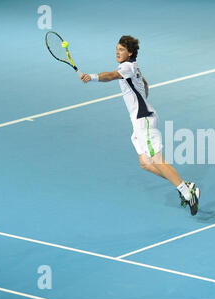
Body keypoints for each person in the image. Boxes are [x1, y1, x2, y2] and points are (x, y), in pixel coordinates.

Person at [79, 35, 200, 215]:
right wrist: (142, 102)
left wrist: (93, 77)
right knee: (145, 162)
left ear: (130, 53)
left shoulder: (126, 67)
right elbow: (144, 83)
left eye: (121, 50)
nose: (117, 52)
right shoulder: (133, 66)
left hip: (144, 120)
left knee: (157, 160)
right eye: (117, 49)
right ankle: (184, 185)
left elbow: (112, 75)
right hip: (140, 119)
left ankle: (187, 192)